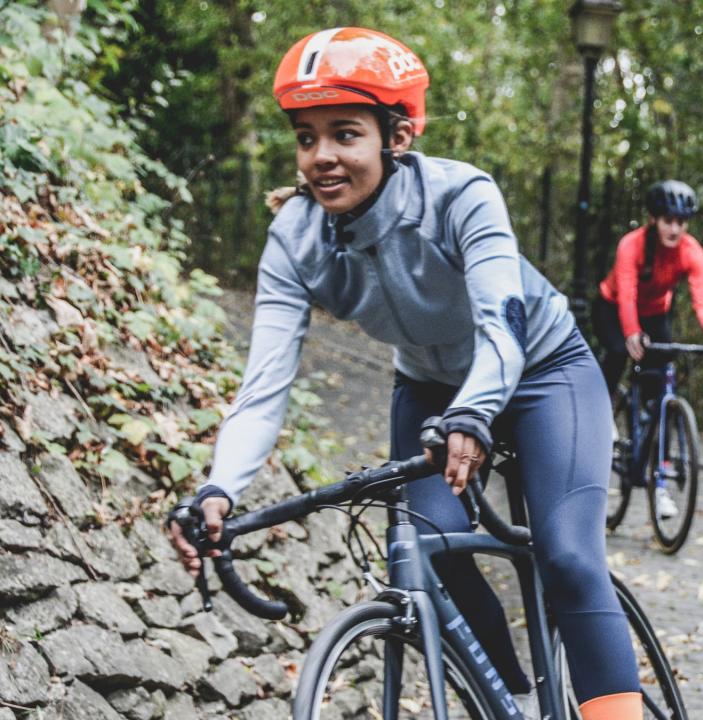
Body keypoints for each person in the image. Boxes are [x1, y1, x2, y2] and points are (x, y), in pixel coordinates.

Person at [165, 27, 641, 720]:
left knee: (566, 557)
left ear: (397, 137)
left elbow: (501, 330)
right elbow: (263, 386)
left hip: (542, 371)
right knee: (426, 548)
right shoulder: (296, 239)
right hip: (429, 386)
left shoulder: (460, 196)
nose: (321, 156)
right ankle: (509, 700)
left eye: (344, 133)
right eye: (306, 137)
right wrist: (219, 488)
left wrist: (475, 414)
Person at [593, 180, 703, 517]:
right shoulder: (632, 245)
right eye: (667, 220)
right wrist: (631, 333)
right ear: (654, 219)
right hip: (613, 307)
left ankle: (659, 486)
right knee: (617, 352)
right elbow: (626, 293)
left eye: (681, 222)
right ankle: (602, 414)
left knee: (661, 394)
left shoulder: (692, 253)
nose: (674, 228)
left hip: (656, 312)